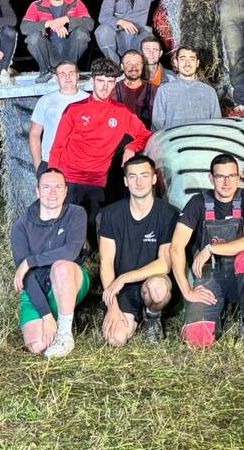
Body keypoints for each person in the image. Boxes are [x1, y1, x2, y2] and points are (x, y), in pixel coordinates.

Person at [48, 57, 153, 247]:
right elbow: (58, 146)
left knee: (94, 227)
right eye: (101, 81)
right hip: (70, 177)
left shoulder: (121, 112)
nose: (105, 87)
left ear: (115, 83)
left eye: (110, 82)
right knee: (68, 229)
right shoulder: (74, 110)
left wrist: (131, 147)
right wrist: (53, 178)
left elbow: (144, 134)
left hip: (97, 180)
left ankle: (93, 254)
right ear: (91, 81)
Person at [169, 153, 244, 347]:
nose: (226, 182)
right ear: (211, 178)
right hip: (210, 277)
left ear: (238, 178)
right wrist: (187, 291)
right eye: (220, 177)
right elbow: (176, 247)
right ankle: (217, 316)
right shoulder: (198, 202)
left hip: (241, 275)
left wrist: (211, 248)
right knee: (197, 340)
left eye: (231, 176)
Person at [98, 154, 179, 346]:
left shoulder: (168, 214)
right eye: (133, 176)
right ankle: (133, 318)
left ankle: (152, 317)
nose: (139, 182)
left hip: (151, 282)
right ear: (126, 182)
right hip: (122, 291)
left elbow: (164, 263)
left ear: (153, 179)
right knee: (115, 339)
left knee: (157, 289)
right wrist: (113, 306)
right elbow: (106, 262)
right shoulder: (110, 214)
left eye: (144, 175)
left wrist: (124, 278)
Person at [10, 169, 91, 358]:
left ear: (65, 191)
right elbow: (26, 277)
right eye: (46, 187)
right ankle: (59, 316)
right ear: (37, 191)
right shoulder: (21, 226)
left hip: (70, 279)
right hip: (37, 286)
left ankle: (65, 334)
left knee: (61, 266)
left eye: (58, 187)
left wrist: (31, 261)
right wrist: (45, 315)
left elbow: (71, 251)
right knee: (38, 345)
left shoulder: (77, 214)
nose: (52, 193)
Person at [20, 0, 94, 83]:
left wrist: (66, 20)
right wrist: (49, 23)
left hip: (70, 53)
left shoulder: (76, 3)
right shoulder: (36, 5)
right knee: (33, 36)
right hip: (49, 54)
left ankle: (71, 70)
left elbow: (90, 24)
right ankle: (45, 72)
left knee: (82, 33)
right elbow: (24, 28)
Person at [28, 61, 89, 172]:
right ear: (56, 78)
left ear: (78, 76)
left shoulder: (90, 100)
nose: (67, 77)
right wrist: (38, 166)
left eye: (71, 73)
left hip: (80, 163)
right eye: (62, 74)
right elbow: (34, 134)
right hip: (51, 162)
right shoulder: (45, 100)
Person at [151, 45, 221, 131]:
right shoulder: (164, 91)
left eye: (192, 59)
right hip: (174, 143)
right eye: (182, 59)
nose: (187, 64)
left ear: (197, 63)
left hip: (201, 142)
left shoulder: (209, 92)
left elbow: (216, 126)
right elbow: (156, 127)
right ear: (176, 62)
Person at [112, 50, 157, 127]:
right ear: (122, 67)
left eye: (138, 64)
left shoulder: (155, 91)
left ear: (142, 66)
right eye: (129, 64)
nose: (134, 68)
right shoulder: (112, 91)